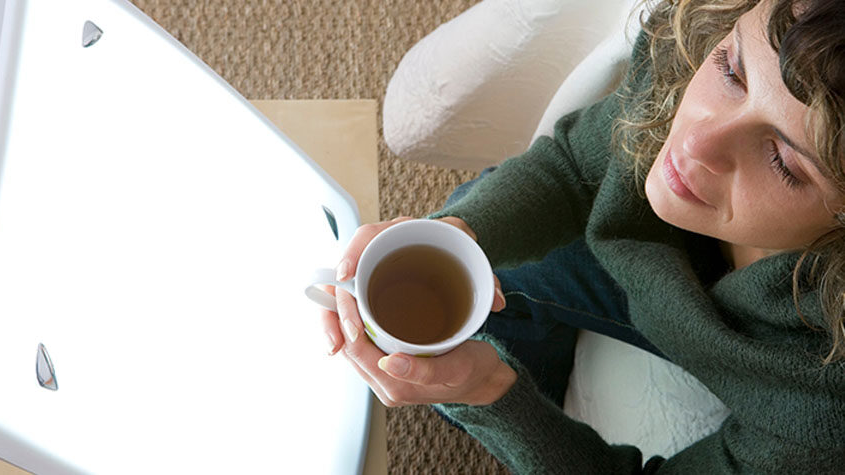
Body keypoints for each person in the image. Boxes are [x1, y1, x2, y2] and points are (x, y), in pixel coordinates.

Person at [320, 0, 845, 472]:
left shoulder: (826, 405)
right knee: (467, 262)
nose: (695, 141)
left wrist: (491, 395)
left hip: (785, 362)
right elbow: (572, 168)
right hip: (654, 271)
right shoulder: (690, 53)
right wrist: (455, 235)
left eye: (783, 161)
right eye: (732, 72)